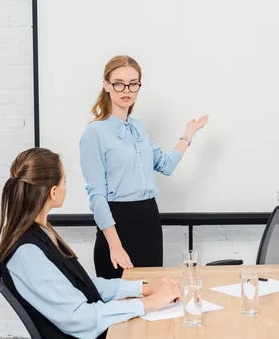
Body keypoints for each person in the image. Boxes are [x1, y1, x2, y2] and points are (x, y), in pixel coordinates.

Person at [0, 148, 183, 339]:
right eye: (65, 181)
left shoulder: (39, 233)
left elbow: (80, 284)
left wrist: (143, 288)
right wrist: (149, 303)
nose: (66, 187)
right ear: (53, 192)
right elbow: (80, 318)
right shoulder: (27, 253)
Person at [79, 55, 208, 279]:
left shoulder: (138, 127)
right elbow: (97, 195)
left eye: (133, 83)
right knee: (122, 301)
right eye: (118, 83)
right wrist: (115, 245)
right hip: (117, 224)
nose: (126, 89)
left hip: (149, 219)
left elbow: (165, 166)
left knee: (154, 300)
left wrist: (188, 134)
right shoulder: (94, 133)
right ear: (106, 85)